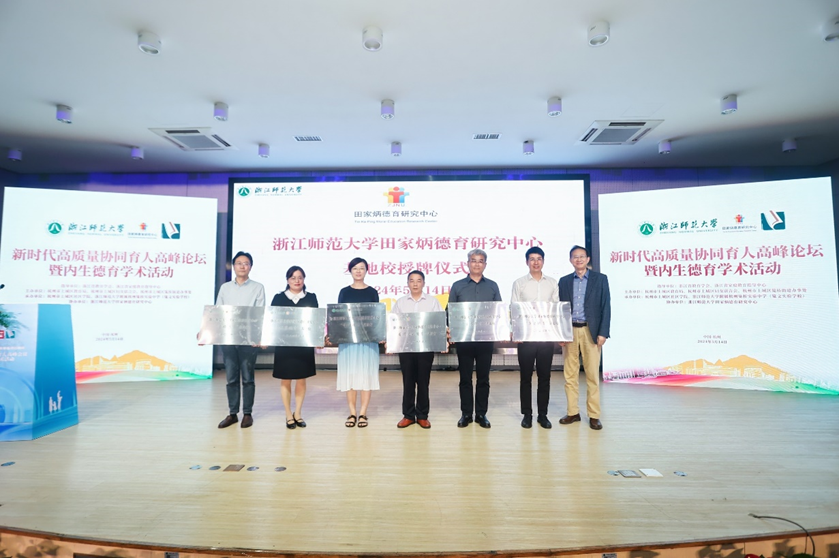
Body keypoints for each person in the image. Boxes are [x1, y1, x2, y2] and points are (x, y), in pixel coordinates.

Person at [558, 245, 611, 430]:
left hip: (591, 331)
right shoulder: (564, 281)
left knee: (592, 375)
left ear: (588, 259)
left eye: (582, 256)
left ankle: (594, 415)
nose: (578, 259)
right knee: (570, 375)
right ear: (570, 260)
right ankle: (573, 412)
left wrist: (603, 332)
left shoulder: (600, 279)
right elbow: (560, 309)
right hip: (570, 332)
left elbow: (606, 306)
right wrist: (560, 333)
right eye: (575, 257)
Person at [448, 248, 502, 429]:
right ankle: (466, 414)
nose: (477, 264)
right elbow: (451, 311)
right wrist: (451, 331)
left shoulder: (492, 286)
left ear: (485, 264)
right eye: (473, 260)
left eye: (480, 261)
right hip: (464, 340)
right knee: (465, 378)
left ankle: (481, 414)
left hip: (485, 340)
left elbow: (498, 312)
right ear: (468, 263)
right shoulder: (458, 286)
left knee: (483, 378)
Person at [511, 246, 559, 429]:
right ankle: (527, 415)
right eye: (532, 259)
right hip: (526, 338)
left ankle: (543, 415)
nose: (536, 262)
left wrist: (559, 334)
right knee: (525, 377)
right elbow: (514, 308)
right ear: (527, 262)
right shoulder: (519, 283)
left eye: (539, 259)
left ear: (543, 261)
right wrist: (516, 332)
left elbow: (556, 310)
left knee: (545, 377)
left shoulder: (552, 283)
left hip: (546, 338)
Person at [216, 251, 265, 429]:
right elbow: (217, 312)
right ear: (233, 266)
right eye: (239, 263)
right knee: (231, 378)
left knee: (248, 378)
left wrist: (258, 337)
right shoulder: (225, 288)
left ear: (250, 267)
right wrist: (206, 332)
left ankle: (247, 413)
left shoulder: (258, 287)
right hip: (228, 339)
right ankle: (232, 413)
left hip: (249, 340)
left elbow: (260, 314)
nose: (242, 266)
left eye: (246, 263)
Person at [391, 270, 443, 429]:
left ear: (424, 283)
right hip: (405, 348)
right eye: (412, 281)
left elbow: (440, 323)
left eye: (418, 280)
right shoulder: (400, 303)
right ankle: (408, 415)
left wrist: (442, 341)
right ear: (407, 283)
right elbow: (393, 324)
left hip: (425, 348)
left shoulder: (432, 302)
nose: (415, 284)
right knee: (408, 382)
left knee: (423, 382)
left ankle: (422, 415)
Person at [271, 266, 318, 430]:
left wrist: (318, 338)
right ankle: (288, 414)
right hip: (284, 346)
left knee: (301, 379)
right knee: (285, 379)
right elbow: (272, 321)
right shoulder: (279, 298)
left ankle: (298, 413)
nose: (297, 281)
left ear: (304, 279)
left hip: (303, 346)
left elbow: (315, 321)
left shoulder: (311, 297)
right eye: (293, 278)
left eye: (300, 277)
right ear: (287, 280)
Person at [336, 257, 380, 428]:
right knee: (350, 375)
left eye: (361, 268)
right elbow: (339, 316)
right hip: (348, 341)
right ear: (350, 271)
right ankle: (352, 413)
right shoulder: (344, 292)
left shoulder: (372, 292)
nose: (358, 271)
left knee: (366, 375)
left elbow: (376, 317)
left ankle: (363, 413)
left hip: (368, 341)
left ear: (366, 270)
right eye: (355, 268)